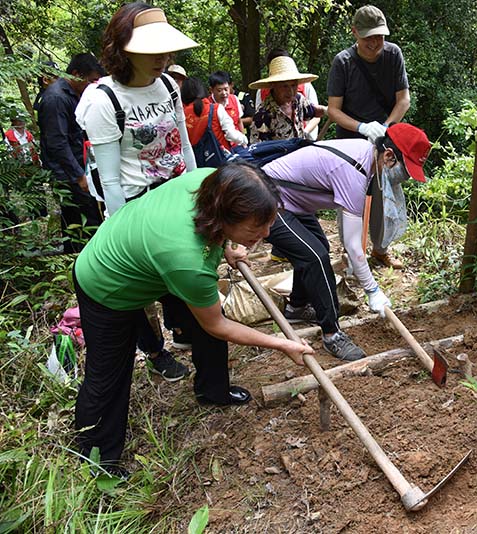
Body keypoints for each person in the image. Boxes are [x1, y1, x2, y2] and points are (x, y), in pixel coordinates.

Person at [74, 162, 313, 475]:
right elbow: (217, 326)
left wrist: (225, 248)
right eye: (256, 229)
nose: (266, 235)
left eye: (267, 224)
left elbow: (209, 234)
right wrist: (281, 344)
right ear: (226, 218)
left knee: (208, 315)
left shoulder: (213, 182)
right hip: (107, 282)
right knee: (108, 375)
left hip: (148, 250)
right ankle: (98, 459)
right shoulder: (187, 261)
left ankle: (214, 390)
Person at [75, 2, 199, 380]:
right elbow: (109, 178)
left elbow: (183, 144)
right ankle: (155, 350)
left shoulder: (166, 86)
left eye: (165, 50)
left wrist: (198, 191)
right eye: (150, 51)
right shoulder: (103, 100)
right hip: (135, 202)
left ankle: (184, 332)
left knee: (180, 271)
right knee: (139, 286)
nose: (161, 58)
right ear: (123, 49)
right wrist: (121, 223)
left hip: (175, 193)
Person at [261, 123, 431, 361]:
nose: (403, 178)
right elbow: (353, 247)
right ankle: (332, 334)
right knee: (316, 257)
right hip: (267, 198)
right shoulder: (355, 170)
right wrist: (372, 290)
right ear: (389, 155)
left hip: (293, 202)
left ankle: (296, 307)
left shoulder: (366, 157)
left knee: (319, 247)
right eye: (405, 170)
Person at [327, 5, 411, 269]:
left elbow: (403, 99)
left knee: (385, 191)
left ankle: (380, 249)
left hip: (385, 138)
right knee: (351, 197)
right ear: (355, 33)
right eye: (369, 37)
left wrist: (385, 127)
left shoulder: (393, 54)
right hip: (350, 141)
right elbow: (333, 110)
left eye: (380, 36)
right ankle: (352, 254)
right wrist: (362, 127)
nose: (375, 42)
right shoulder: (343, 62)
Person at [37, 53, 104, 254]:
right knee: (78, 221)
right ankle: (76, 261)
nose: (93, 85)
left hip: (79, 168)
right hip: (66, 175)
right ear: (75, 74)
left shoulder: (75, 95)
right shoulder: (55, 98)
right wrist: (78, 175)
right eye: (90, 80)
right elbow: (57, 143)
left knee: (88, 218)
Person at [249, 54, 325, 144]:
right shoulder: (263, 114)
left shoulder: (299, 100)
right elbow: (259, 151)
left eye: (294, 85)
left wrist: (328, 111)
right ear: (273, 85)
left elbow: (313, 110)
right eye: (284, 86)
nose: (290, 91)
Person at [182, 76, 248, 155]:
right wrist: (244, 140)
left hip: (195, 159)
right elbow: (231, 134)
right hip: (219, 157)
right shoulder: (215, 108)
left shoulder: (182, 114)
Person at [208, 71, 245, 135]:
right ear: (211, 90)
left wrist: (244, 141)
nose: (224, 93)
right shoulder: (207, 104)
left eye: (226, 89)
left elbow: (239, 121)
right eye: (219, 90)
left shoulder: (234, 99)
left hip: (236, 141)